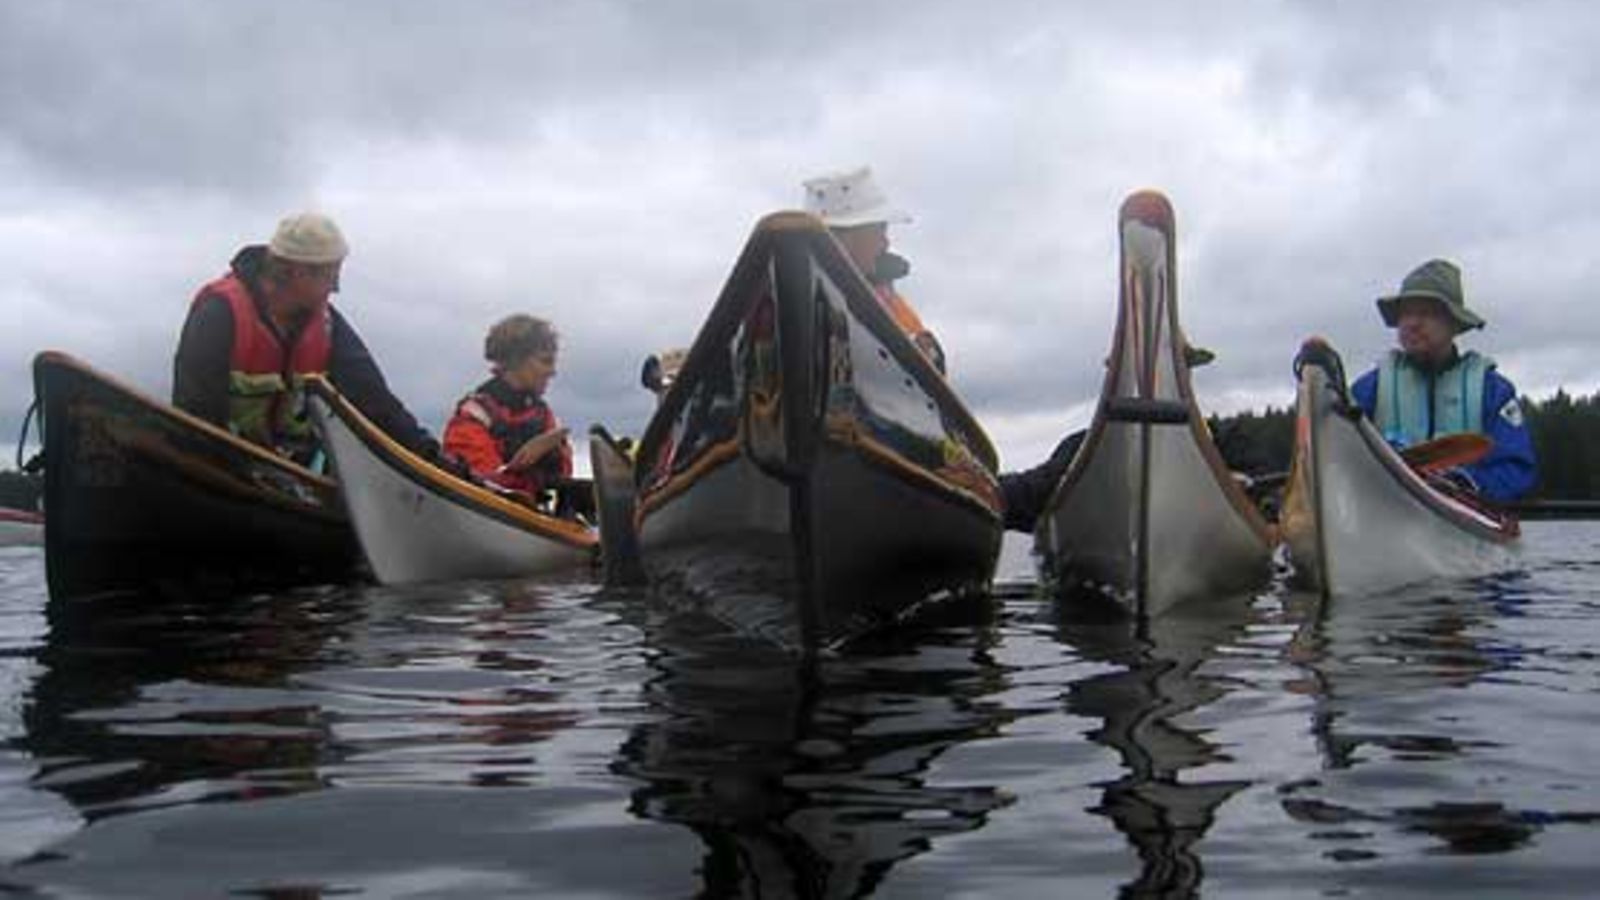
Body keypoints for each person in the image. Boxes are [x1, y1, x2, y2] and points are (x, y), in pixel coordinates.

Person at [173, 211, 441, 467]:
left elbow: (377, 403)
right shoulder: (220, 313)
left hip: (289, 473)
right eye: (330, 275)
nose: (336, 288)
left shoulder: (327, 324)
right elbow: (196, 413)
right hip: (221, 467)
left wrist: (434, 459)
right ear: (296, 272)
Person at [1349, 258, 1536, 502]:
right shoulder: (1369, 389)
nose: (1413, 323)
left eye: (1426, 313)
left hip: (1465, 522)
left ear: (1454, 323)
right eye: (1406, 313)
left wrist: (1467, 483)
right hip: (1386, 513)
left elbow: (1517, 469)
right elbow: (1337, 456)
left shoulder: (1492, 391)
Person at [802, 166, 946, 372]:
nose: (885, 243)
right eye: (879, 230)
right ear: (842, 238)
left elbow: (934, 372)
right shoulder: (780, 293)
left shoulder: (894, 308)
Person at [442, 314, 575, 506]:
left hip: (532, 519)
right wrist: (521, 470)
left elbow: (564, 472)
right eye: (545, 361)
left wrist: (553, 467)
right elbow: (479, 484)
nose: (552, 371)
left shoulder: (544, 416)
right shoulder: (474, 414)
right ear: (516, 360)